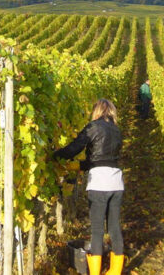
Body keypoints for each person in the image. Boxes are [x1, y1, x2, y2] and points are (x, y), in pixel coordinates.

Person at [53, 99, 124, 275]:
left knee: (97, 230)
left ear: (96, 111)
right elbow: (104, 159)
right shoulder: (117, 130)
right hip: (116, 183)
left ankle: (95, 273)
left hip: (99, 183)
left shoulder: (93, 127)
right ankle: (115, 272)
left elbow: (73, 149)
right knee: (114, 228)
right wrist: (80, 166)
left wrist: (55, 156)